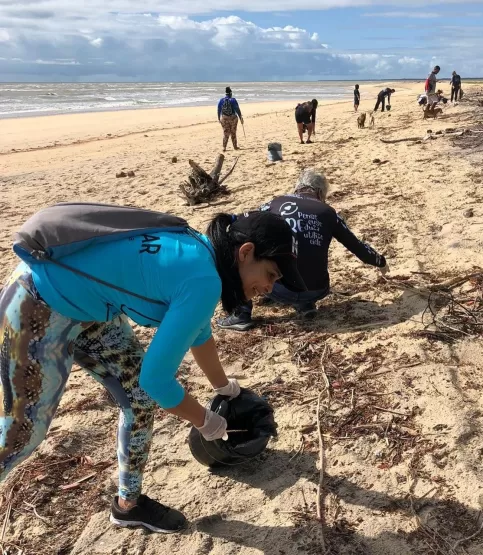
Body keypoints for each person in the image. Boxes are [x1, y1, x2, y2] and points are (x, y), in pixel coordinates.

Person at [0, 206, 304, 533]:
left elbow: (199, 333)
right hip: (36, 305)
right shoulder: (204, 280)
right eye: (271, 274)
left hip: (90, 310)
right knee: (23, 434)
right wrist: (206, 421)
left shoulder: (199, 250)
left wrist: (225, 388)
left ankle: (128, 506)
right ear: (246, 253)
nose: (270, 288)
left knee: (138, 401)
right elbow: (156, 380)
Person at [217, 169, 389, 331]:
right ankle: (305, 304)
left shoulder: (275, 203)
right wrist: (380, 261)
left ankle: (241, 315)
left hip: (281, 289)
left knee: (251, 247)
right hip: (317, 290)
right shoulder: (329, 213)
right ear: (321, 194)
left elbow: (244, 222)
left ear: (297, 187)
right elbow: (357, 246)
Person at [217, 86, 243, 151]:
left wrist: (218, 118)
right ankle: (235, 146)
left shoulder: (221, 100)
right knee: (233, 133)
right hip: (233, 118)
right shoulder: (233, 100)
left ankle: (224, 147)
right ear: (231, 93)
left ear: (225, 94)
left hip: (224, 118)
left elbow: (218, 109)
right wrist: (240, 117)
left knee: (226, 133)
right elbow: (237, 109)